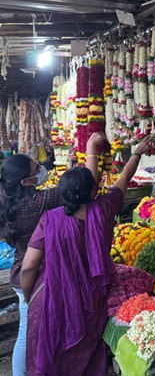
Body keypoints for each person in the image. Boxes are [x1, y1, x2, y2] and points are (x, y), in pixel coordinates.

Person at [20, 134, 153, 376]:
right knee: (85, 357)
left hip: (51, 294)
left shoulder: (50, 220)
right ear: (92, 191)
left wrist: (31, 297)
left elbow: (29, 266)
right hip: (91, 298)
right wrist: (137, 152)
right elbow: (124, 178)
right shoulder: (103, 208)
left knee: (51, 355)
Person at [0, 133, 101, 376]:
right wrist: (90, 151)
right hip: (33, 278)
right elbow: (88, 188)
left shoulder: (8, 199)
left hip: (21, 274)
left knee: (32, 331)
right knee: (28, 334)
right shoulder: (38, 202)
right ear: (26, 182)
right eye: (37, 168)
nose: (42, 169)